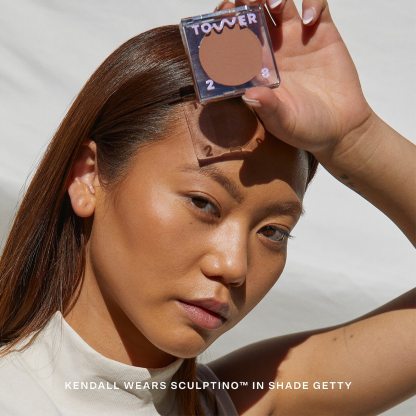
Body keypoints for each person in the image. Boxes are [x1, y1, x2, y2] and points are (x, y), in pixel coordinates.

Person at [0, 0, 414, 415]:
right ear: (88, 177)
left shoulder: (229, 403)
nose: (233, 266)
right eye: (203, 203)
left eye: (273, 231)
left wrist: (355, 137)